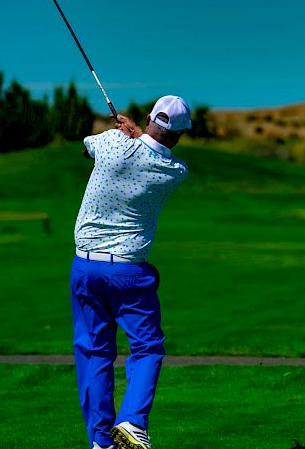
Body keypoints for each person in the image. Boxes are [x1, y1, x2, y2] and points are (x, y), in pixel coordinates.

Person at [70, 95, 192, 449]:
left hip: (85, 265)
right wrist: (137, 136)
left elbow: (86, 152)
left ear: (149, 117)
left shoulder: (110, 143)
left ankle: (100, 442)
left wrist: (124, 135)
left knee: (94, 352)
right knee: (147, 347)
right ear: (180, 135)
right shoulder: (174, 172)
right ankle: (133, 421)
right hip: (128, 272)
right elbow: (153, 150)